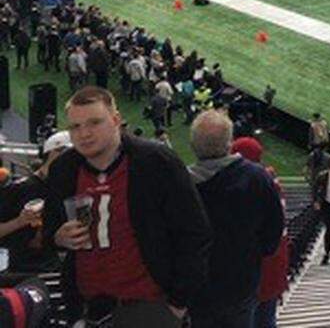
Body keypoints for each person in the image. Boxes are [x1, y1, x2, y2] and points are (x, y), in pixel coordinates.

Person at [43, 86, 211, 327]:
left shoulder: (157, 162)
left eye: (94, 123)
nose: (84, 134)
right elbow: (49, 232)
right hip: (87, 307)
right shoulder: (64, 169)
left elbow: (195, 234)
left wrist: (177, 304)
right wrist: (59, 237)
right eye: (75, 127)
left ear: (116, 120)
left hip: (149, 307)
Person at [188, 110, 284, 328]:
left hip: (197, 287)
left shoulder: (181, 184)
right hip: (240, 282)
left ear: (193, 145)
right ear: (229, 143)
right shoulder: (257, 178)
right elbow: (273, 233)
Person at [0, 130, 71, 272]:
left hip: (54, 265)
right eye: (63, 154)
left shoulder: (68, 189)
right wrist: (20, 221)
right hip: (18, 269)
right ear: (51, 154)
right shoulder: (20, 188)